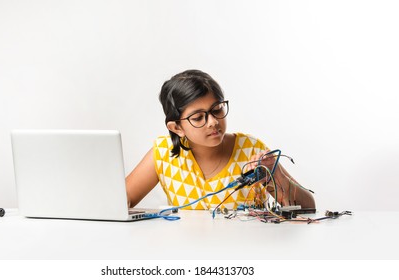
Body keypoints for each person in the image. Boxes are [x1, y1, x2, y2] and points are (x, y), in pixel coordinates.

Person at [126, 70, 315, 211]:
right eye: (199, 118)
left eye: (217, 110)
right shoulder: (163, 153)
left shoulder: (250, 149)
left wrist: (277, 175)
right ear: (177, 128)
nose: (213, 122)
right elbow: (118, 201)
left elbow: (308, 209)